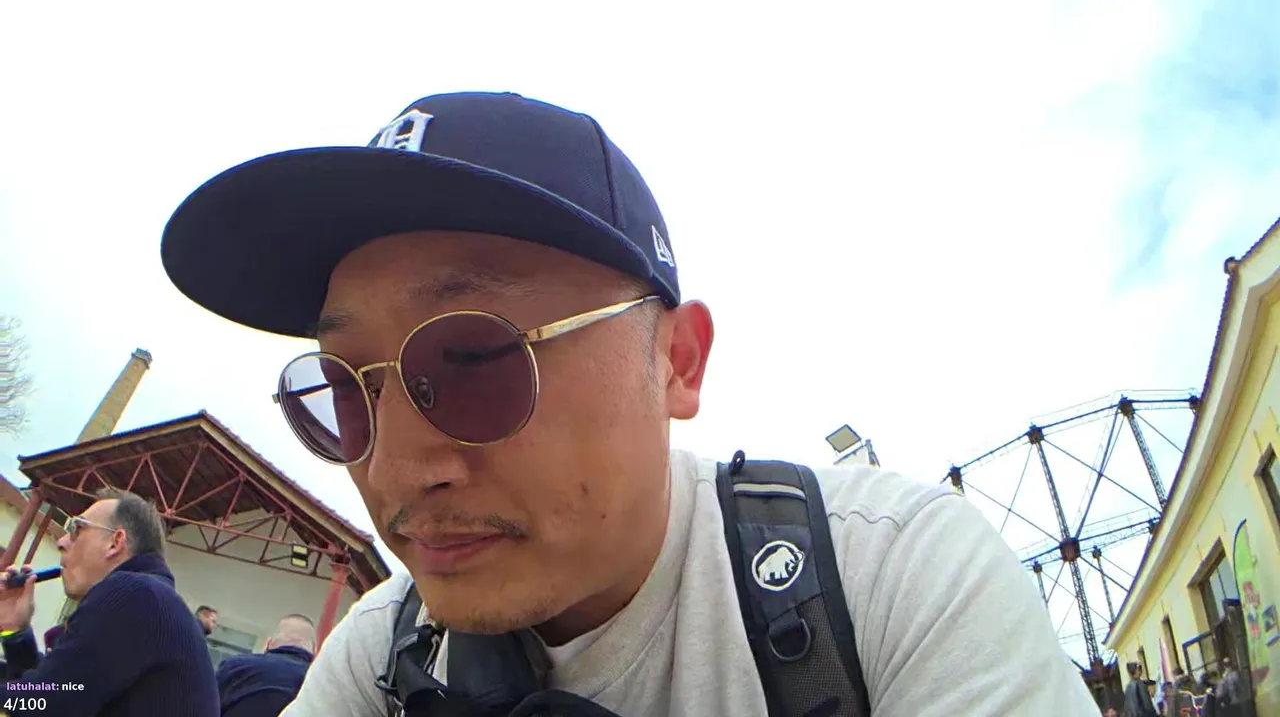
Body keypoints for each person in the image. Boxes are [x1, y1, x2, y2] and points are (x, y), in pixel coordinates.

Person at [161, 90, 1099, 716]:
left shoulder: (892, 581)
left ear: (677, 362)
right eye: (344, 390)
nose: (398, 470)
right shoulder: (379, 657)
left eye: (476, 358)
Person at [0, 488, 218, 715]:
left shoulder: (133, 592)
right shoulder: (152, 598)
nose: (62, 542)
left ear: (115, 542)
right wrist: (16, 632)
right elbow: (55, 689)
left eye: (77, 528)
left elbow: (47, 703)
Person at [216, 614, 316, 716]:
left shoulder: (235, 666)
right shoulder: (315, 684)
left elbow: (207, 706)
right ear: (314, 651)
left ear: (268, 643)